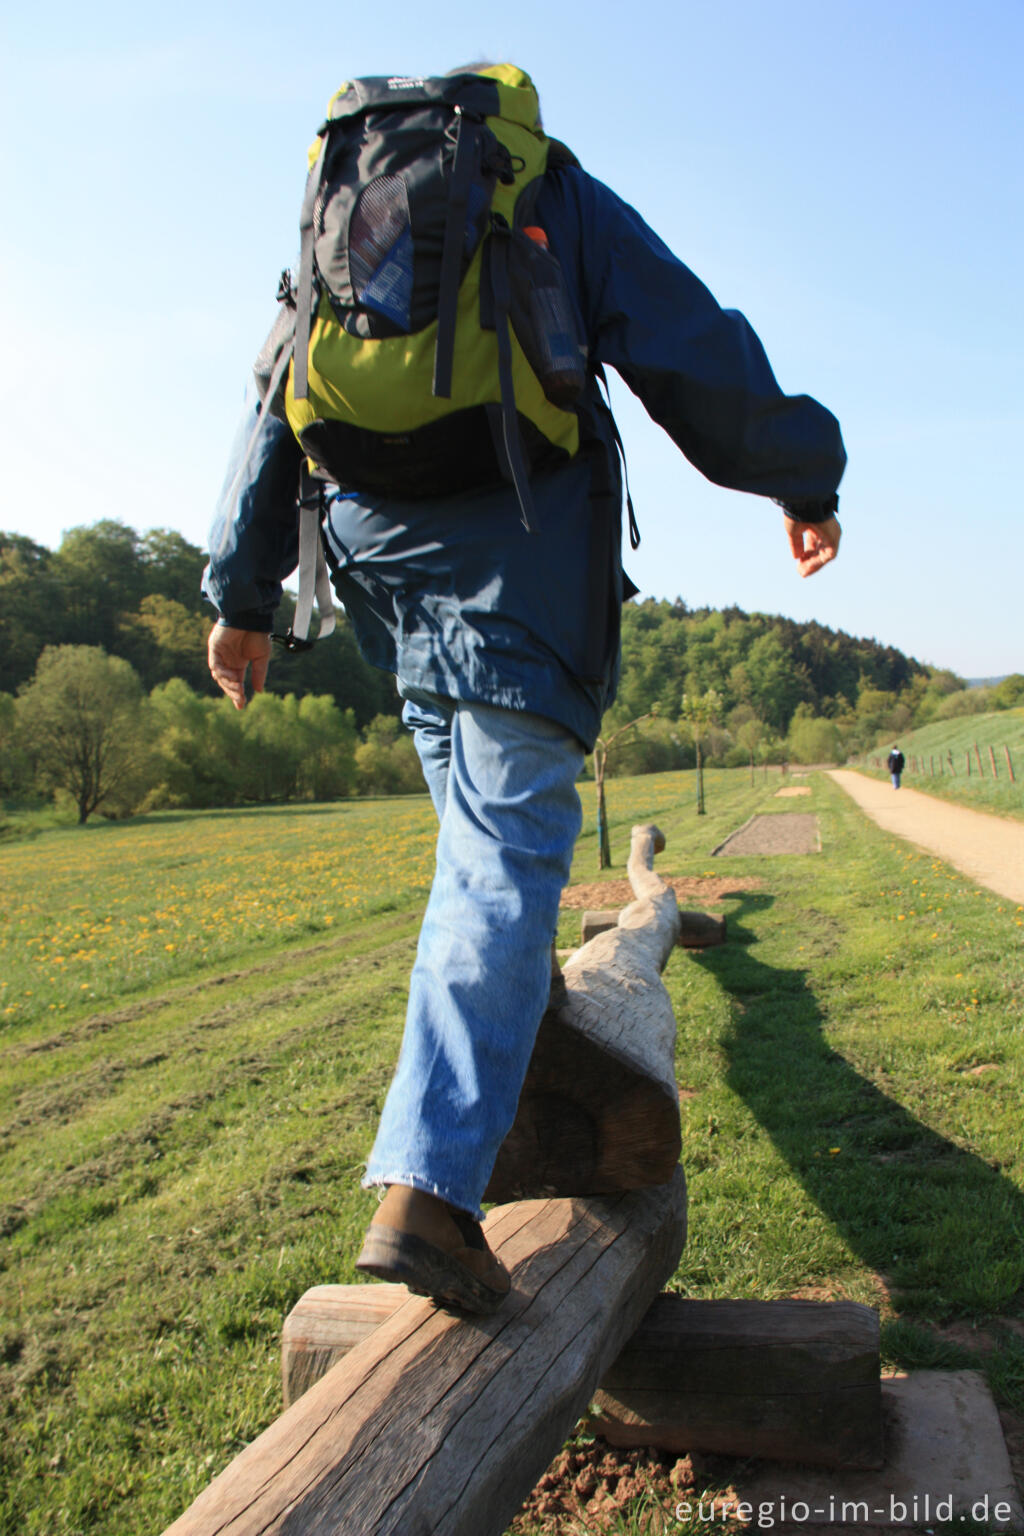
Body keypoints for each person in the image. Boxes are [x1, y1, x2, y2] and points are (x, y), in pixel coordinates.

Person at [204, 64, 846, 1315]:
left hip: (381, 556)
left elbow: (271, 396)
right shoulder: (547, 191)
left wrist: (240, 595)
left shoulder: (345, 221)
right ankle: (433, 1193)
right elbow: (694, 353)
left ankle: (518, 1051)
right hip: (513, 551)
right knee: (503, 861)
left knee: (475, 852)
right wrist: (805, 476)